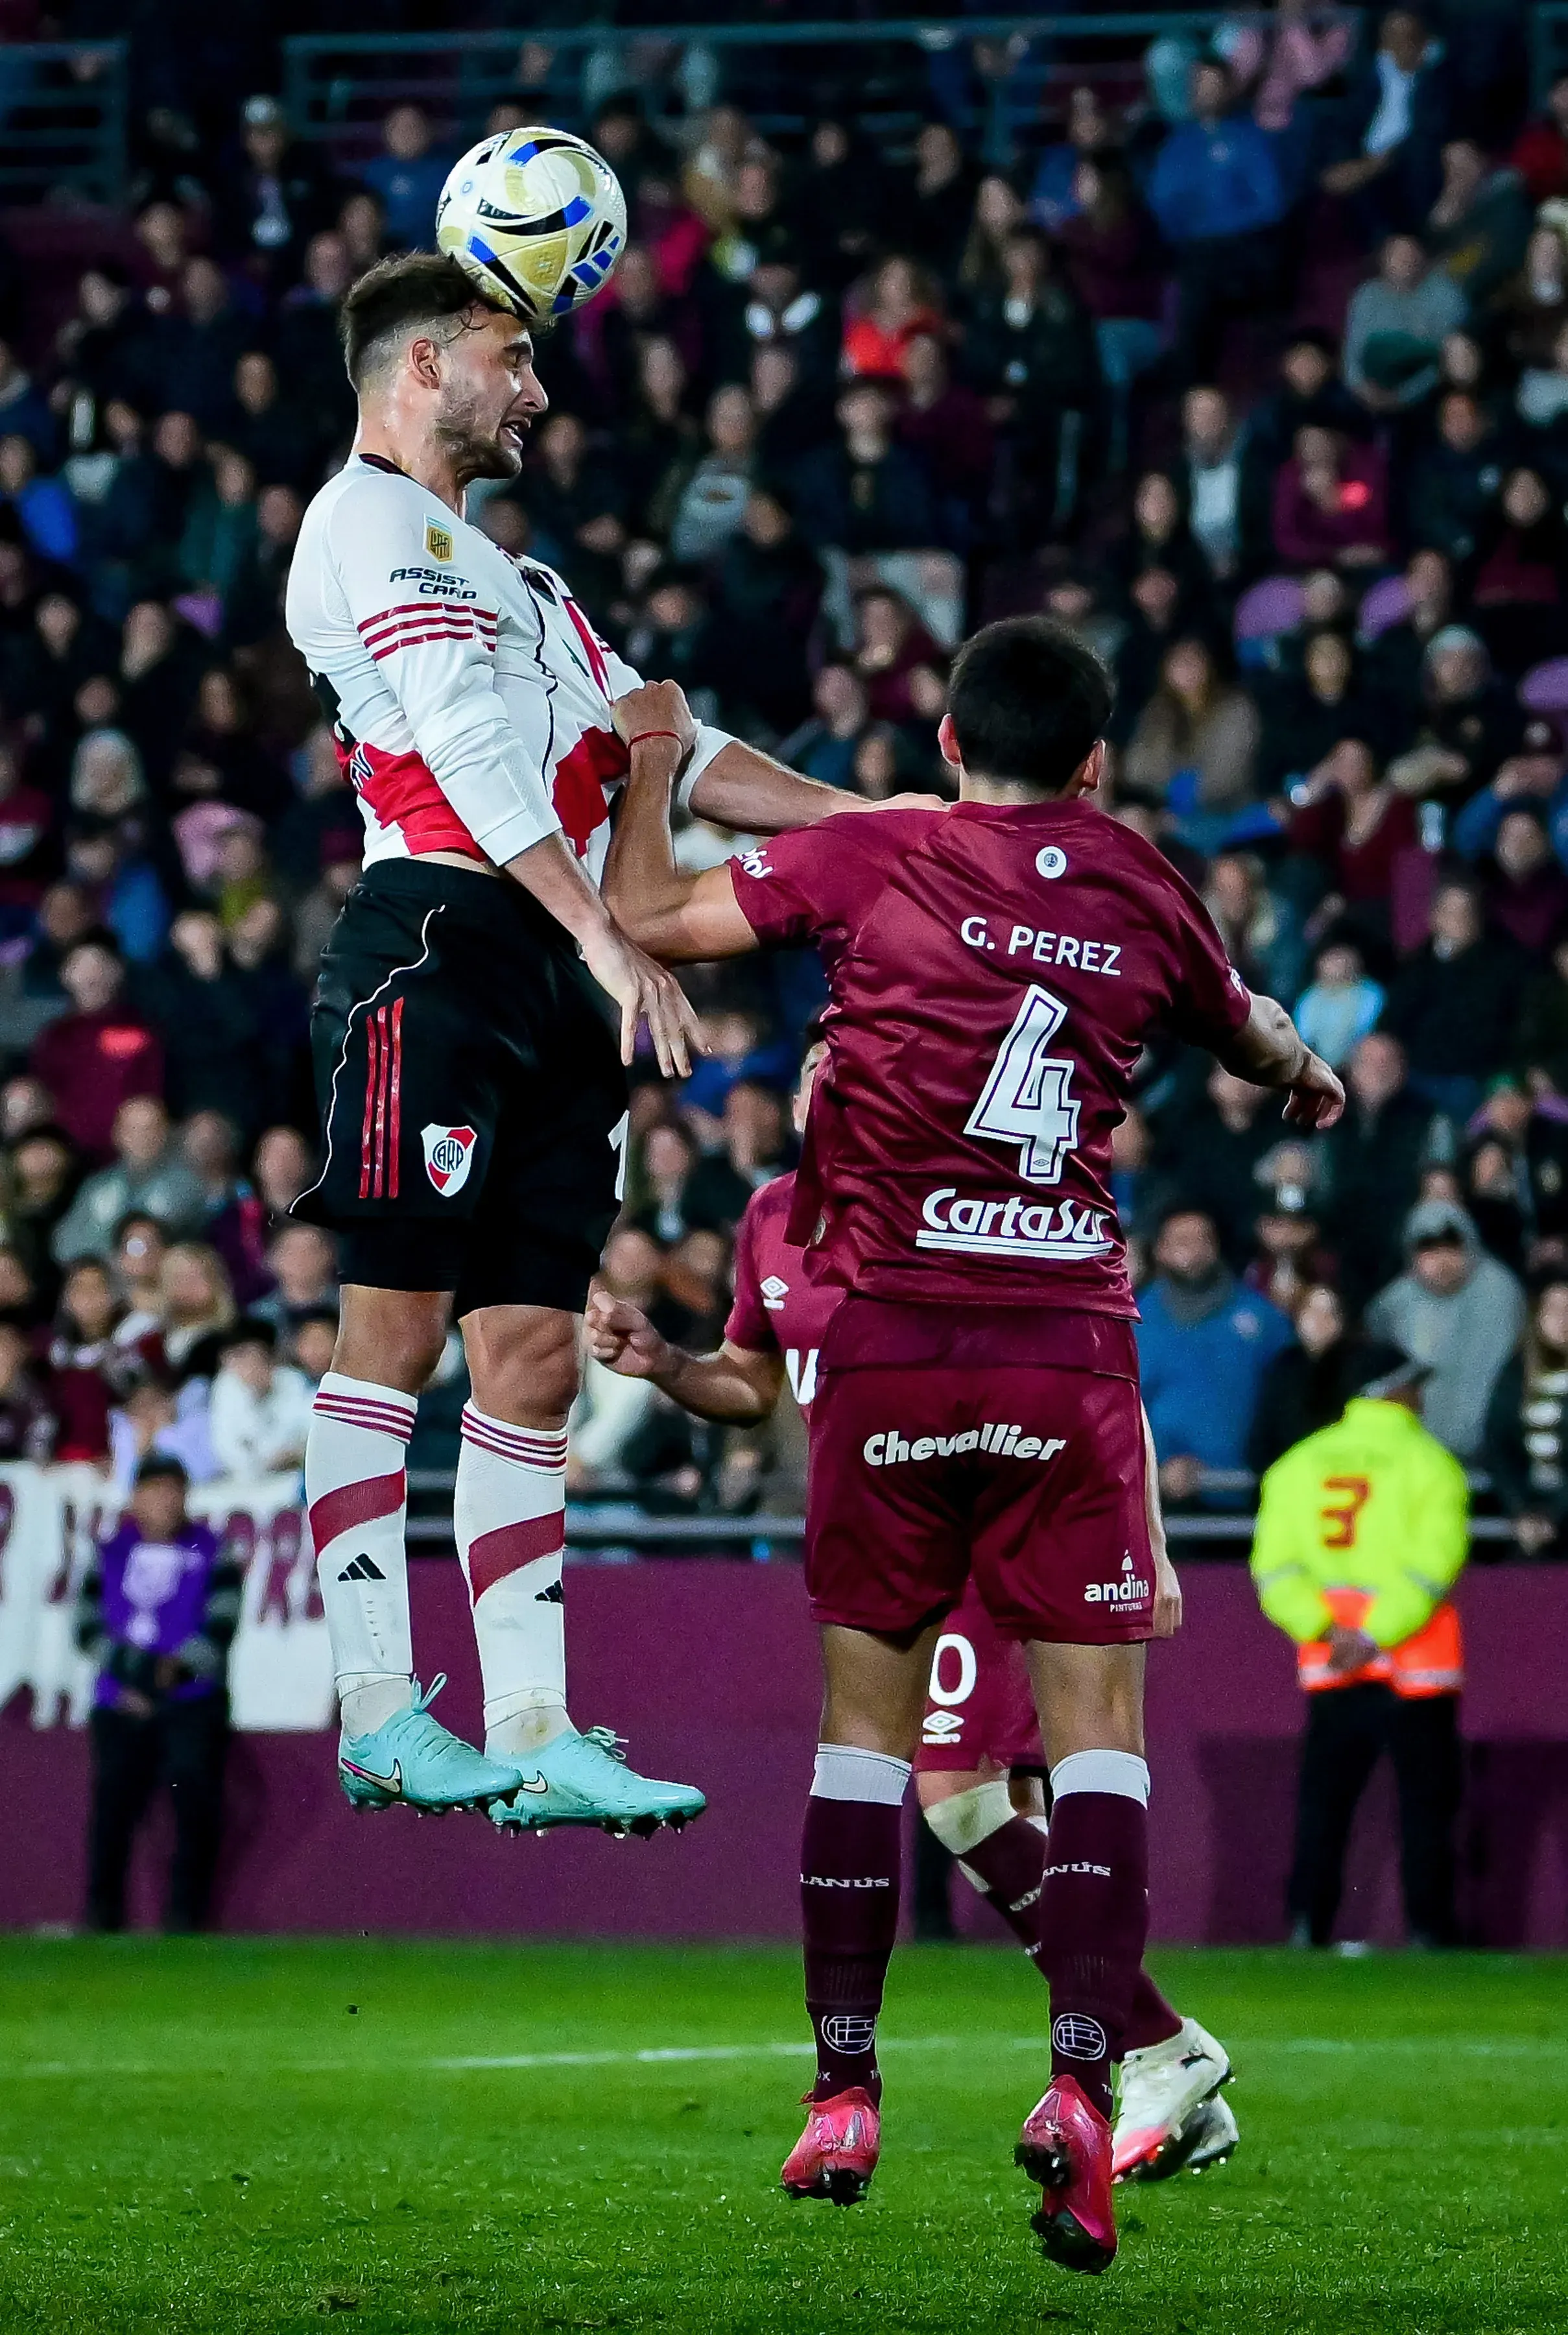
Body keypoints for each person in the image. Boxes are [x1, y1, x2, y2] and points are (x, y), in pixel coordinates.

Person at [600, 618, 1342, 2270]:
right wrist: (1304, 1081)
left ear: (944, 741)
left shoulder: (877, 852)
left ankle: (842, 2089)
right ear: (1093, 761)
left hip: (886, 1349)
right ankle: (1085, 2087)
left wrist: (654, 754)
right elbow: (1253, 1034)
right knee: (1092, 1747)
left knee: (870, 1740)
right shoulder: (1145, 884)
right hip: (1064, 1350)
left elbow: (652, 914)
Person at [284, 250, 919, 1830]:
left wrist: (874, 826)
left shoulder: (527, 580)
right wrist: (598, 930)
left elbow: (675, 748)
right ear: (425, 367)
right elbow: (469, 752)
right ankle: (374, 1705)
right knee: (398, 1327)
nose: (540, 389)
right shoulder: (369, 522)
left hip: (564, 978)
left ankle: (538, 1726)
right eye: (513, 357)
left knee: (536, 1354)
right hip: (441, 939)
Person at [589, 1044, 1240, 2185]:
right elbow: (751, 1382)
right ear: (798, 1102)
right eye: (814, 1075)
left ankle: (1144, 2049)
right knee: (985, 1801)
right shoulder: (770, 1217)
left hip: (999, 1529)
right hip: (886, 1531)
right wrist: (667, 1365)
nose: (829, 1091)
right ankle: (1154, 2055)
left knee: (953, 1793)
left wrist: (1150, 1540)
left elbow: (1095, 1372)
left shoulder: (966, 1201)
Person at [1251, 1343, 1467, 1948]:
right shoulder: (1431, 1464)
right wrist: (1377, 1634)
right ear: (1386, 1391)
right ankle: (1429, 1932)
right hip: (1418, 1669)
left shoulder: (1298, 1465)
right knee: (1426, 1809)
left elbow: (1275, 1570)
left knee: (1323, 1807)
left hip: (1333, 1667)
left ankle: (1305, 1928)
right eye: (1412, 1384)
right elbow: (1434, 1564)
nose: (1420, 1396)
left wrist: (1327, 1630)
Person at [75, 1455, 243, 1933]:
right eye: (156, 1491)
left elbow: (222, 1624)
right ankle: (102, 1916)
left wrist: (173, 1673)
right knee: (111, 1806)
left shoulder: (214, 1550)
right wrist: (139, 1673)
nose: (167, 1502)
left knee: (194, 1798)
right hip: (120, 1700)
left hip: (191, 1700)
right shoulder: (109, 1553)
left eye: (176, 1491)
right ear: (135, 1499)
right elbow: (86, 1627)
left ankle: (186, 1917)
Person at [1364, 1199, 1525, 1461]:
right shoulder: (1394, 1303)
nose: (1442, 1260)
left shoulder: (1498, 1293)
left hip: (1491, 1455)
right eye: (1429, 1250)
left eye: (1451, 1247)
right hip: (1411, 1456)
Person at [1483, 1278, 1568, 1556]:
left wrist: (1555, 1514)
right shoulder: (1516, 1374)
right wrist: (1520, 1511)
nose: (1563, 1320)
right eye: (1554, 1310)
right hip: (1529, 1513)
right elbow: (1499, 1446)